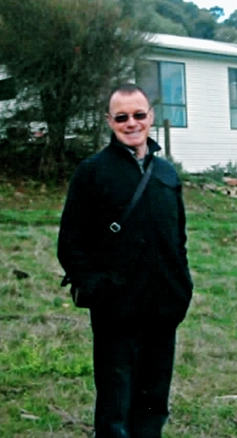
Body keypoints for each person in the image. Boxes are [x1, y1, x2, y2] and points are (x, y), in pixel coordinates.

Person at [57, 84, 193, 438]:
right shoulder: (92, 173)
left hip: (163, 309)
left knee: (153, 403)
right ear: (109, 121)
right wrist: (101, 290)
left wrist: (182, 289)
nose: (131, 123)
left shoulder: (166, 174)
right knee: (116, 407)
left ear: (150, 117)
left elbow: (178, 240)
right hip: (115, 314)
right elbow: (70, 246)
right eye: (122, 117)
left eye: (138, 115)